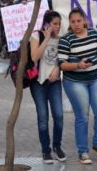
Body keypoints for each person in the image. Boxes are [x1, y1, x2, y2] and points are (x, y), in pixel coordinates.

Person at [57, 8, 97, 164]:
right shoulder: (66, 39)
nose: (76, 24)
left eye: (79, 21)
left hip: (96, 78)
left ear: (84, 20)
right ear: (69, 23)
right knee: (83, 117)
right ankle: (82, 151)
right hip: (75, 82)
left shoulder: (93, 34)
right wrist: (77, 64)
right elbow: (62, 65)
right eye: (73, 22)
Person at [29, 10, 67, 163]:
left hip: (55, 82)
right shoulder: (36, 36)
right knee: (43, 118)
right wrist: (46, 38)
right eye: (54, 24)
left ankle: (57, 146)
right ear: (47, 24)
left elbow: (63, 60)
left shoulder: (61, 39)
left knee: (58, 115)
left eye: (59, 24)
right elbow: (34, 57)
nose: (57, 27)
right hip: (38, 83)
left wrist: (58, 69)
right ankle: (46, 150)